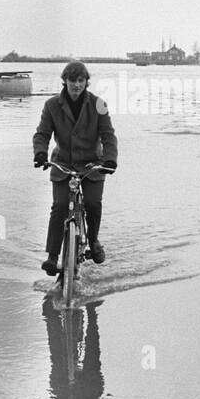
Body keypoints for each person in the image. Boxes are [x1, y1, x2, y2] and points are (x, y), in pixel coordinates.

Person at [33, 61, 118, 274]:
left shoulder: (99, 104)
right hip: (63, 163)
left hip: (93, 165)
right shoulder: (52, 105)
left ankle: (94, 241)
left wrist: (110, 160)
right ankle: (53, 257)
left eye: (81, 81)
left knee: (92, 204)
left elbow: (108, 136)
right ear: (65, 81)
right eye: (72, 80)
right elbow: (42, 133)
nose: (77, 85)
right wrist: (40, 153)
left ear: (86, 82)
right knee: (60, 206)